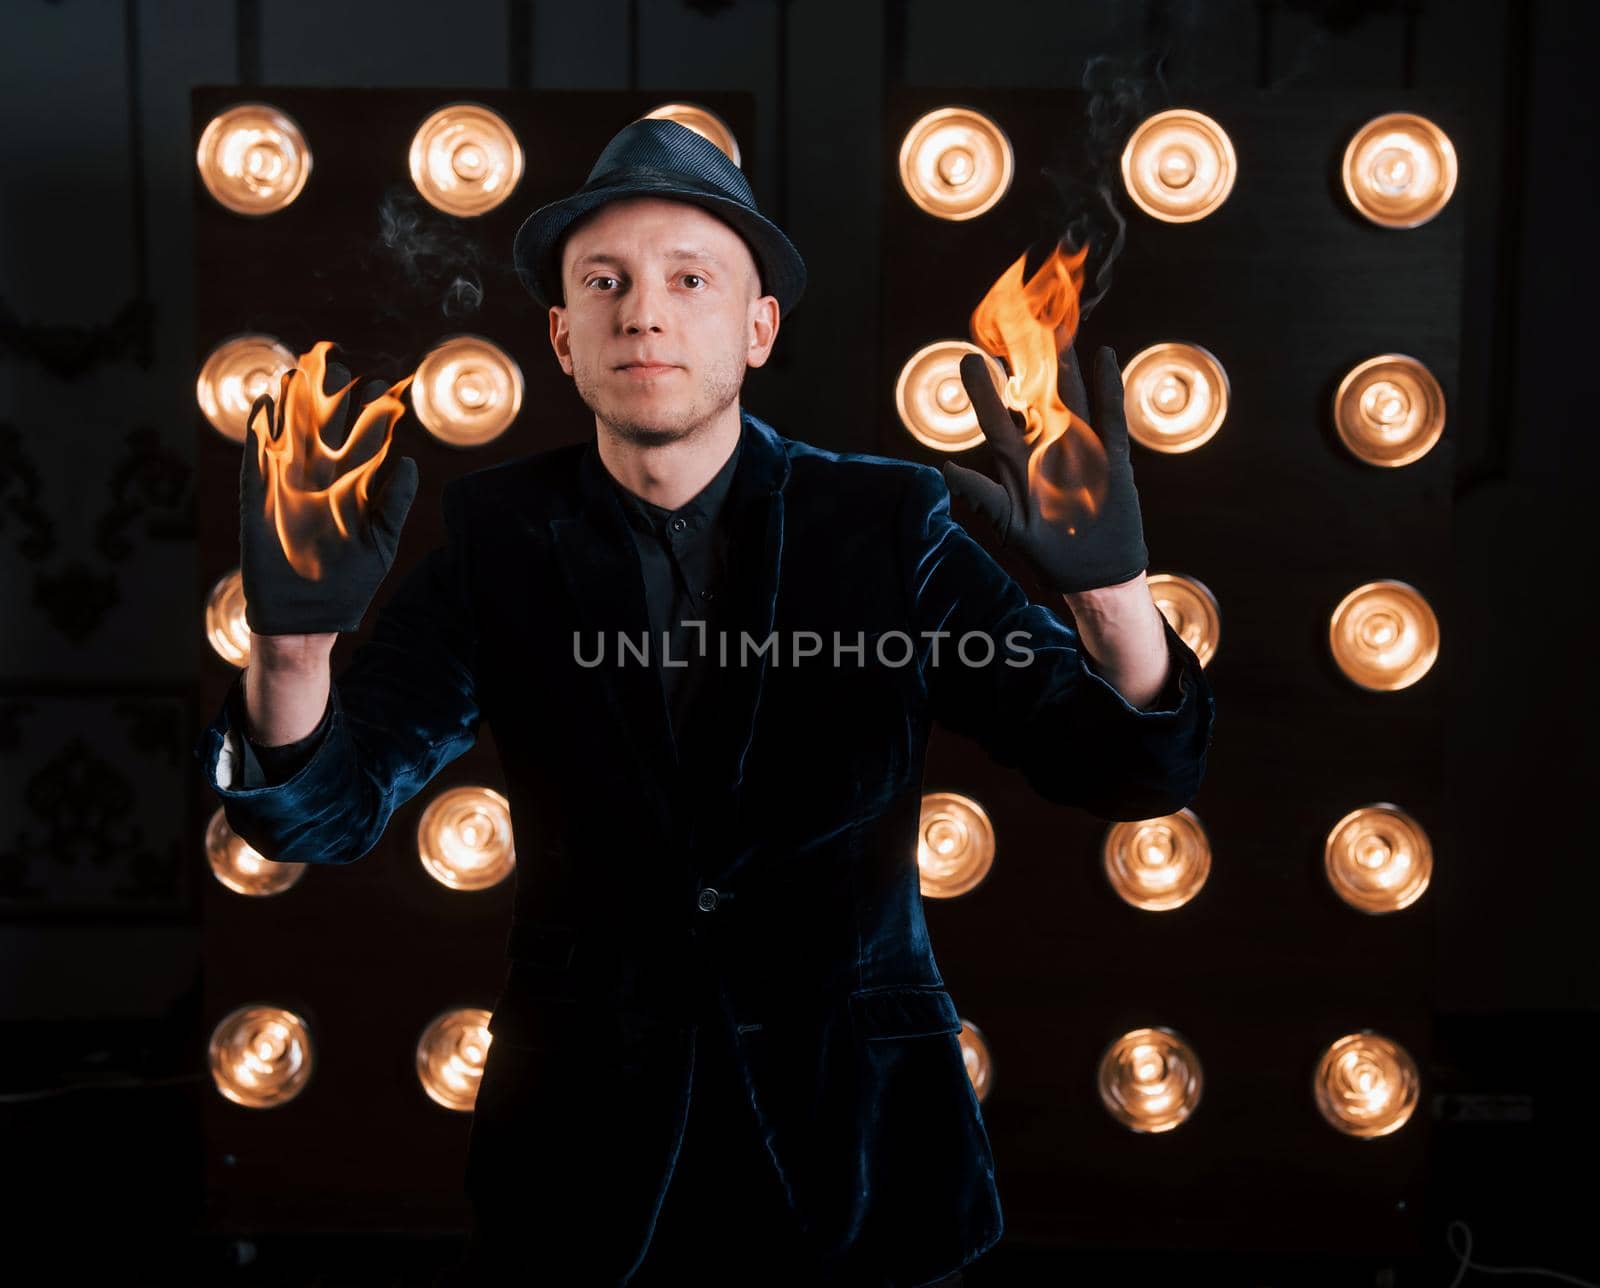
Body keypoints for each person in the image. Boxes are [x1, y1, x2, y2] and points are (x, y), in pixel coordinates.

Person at [195, 118, 1215, 1287]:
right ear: (562, 338)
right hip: (583, 1160)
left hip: (862, 1152)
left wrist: (1114, 600)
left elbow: (1135, 772)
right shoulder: (498, 541)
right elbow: (324, 815)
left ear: (757, 327)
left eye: (691, 280)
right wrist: (290, 655)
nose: (645, 311)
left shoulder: (884, 525)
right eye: (605, 283)